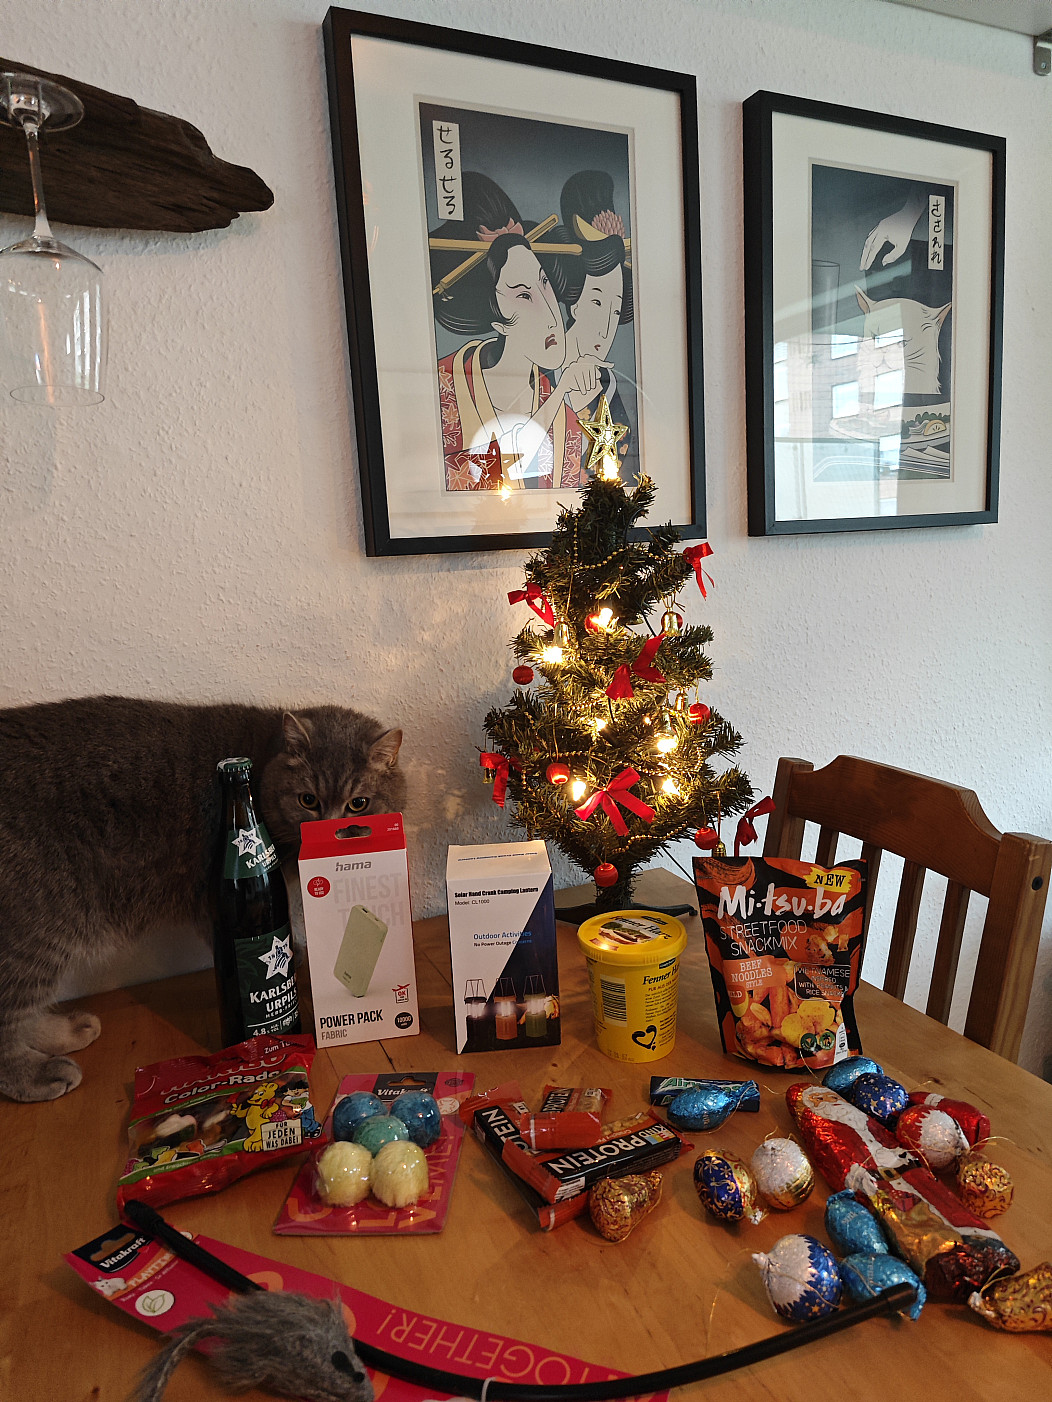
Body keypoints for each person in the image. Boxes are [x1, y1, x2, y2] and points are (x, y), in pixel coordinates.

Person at [428, 173, 608, 491]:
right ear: (496, 320)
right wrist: (561, 397)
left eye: (544, 283)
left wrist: (571, 403)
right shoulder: (443, 387)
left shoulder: (565, 414)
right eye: (524, 295)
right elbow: (471, 482)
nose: (551, 315)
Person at [548, 171, 636, 479]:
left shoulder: (608, 384)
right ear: (574, 304)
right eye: (597, 302)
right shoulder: (538, 372)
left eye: (615, 310)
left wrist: (590, 399)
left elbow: (617, 466)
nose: (606, 328)